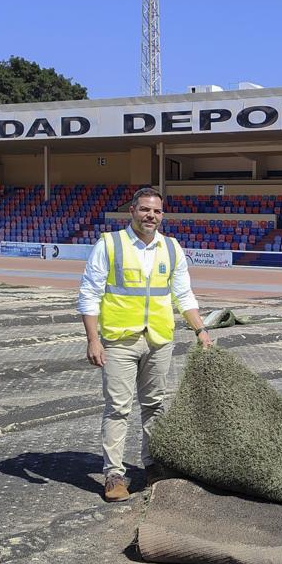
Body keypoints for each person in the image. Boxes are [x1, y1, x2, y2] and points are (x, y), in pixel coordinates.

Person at [78, 187, 214, 502]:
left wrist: (200, 330)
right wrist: (93, 339)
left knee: (154, 405)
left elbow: (183, 294)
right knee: (118, 408)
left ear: (162, 215)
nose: (150, 216)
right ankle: (114, 475)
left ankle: (153, 466)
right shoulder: (110, 244)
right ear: (132, 211)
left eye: (156, 211)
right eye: (144, 210)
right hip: (119, 341)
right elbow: (90, 293)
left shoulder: (172, 247)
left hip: (158, 340)